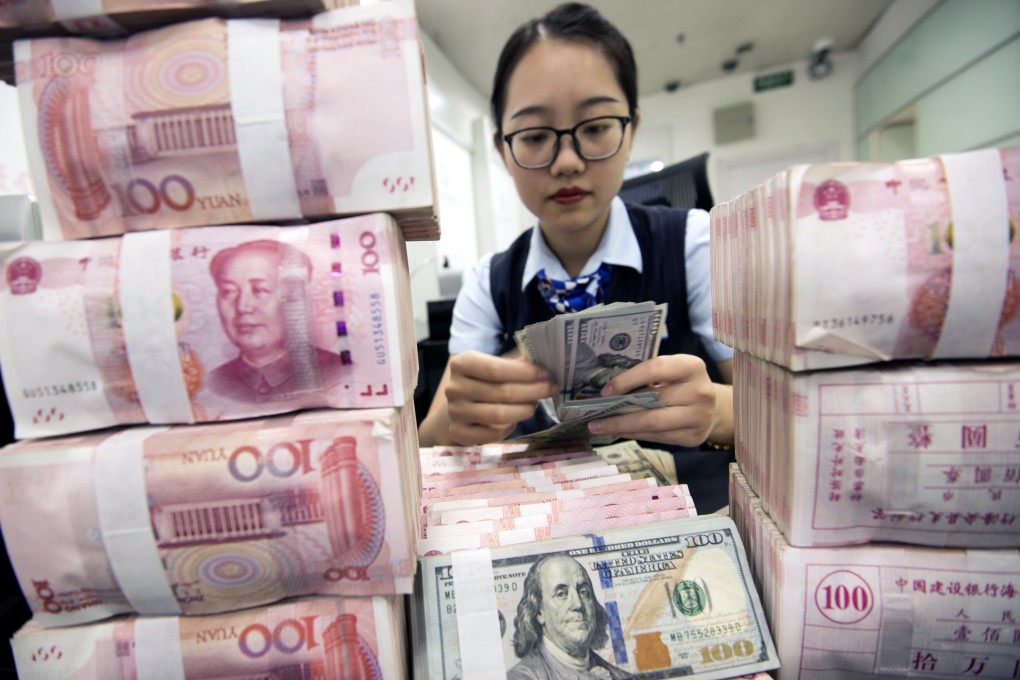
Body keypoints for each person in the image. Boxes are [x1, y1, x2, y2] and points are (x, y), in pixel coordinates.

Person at [418, 2, 735, 512]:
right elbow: (429, 445)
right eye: (535, 136)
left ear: (631, 130)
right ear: (502, 150)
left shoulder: (695, 244)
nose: (567, 161)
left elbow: (779, 413)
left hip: (688, 519)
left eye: (595, 127)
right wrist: (457, 419)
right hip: (544, 522)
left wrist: (716, 410)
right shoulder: (489, 282)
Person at [207, 239, 344, 402]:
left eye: (260, 290)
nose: (242, 307)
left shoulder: (339, 373)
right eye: (228, 291)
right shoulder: (212, 383)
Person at [509, 554, 630, 680]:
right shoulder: (521, 677)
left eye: (583, 592)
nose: (578, 604)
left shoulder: (621, 677)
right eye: (561, 594)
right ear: (539, 612)